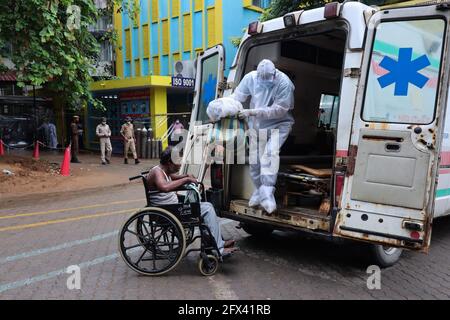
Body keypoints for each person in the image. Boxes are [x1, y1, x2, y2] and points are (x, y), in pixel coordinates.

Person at [230, 59, 295, 214]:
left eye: (268, 80)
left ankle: (267, 194)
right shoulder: (251, 78)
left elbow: (280, 110)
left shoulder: (284, 82)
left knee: (269, 154)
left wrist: (253, 112)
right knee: (255, 161)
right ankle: (260, 191)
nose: (265, 83)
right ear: (257, 75)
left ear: (274, 74)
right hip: (257, 126)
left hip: (279, 124)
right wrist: (223, 107)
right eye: (262, 80)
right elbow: (237, 97)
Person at [146, 147, 237, 256]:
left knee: (205, 206)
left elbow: (173, 177)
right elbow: (165, 187)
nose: (180, 164)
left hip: (171, 207)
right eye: (178, 162)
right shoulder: (157, 172)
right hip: (168, 211)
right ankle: (219, 249)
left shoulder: (163, 170)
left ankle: (216, 242)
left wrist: (186, 175)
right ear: (169, 162)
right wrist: (186, 179)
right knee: (207, 208)